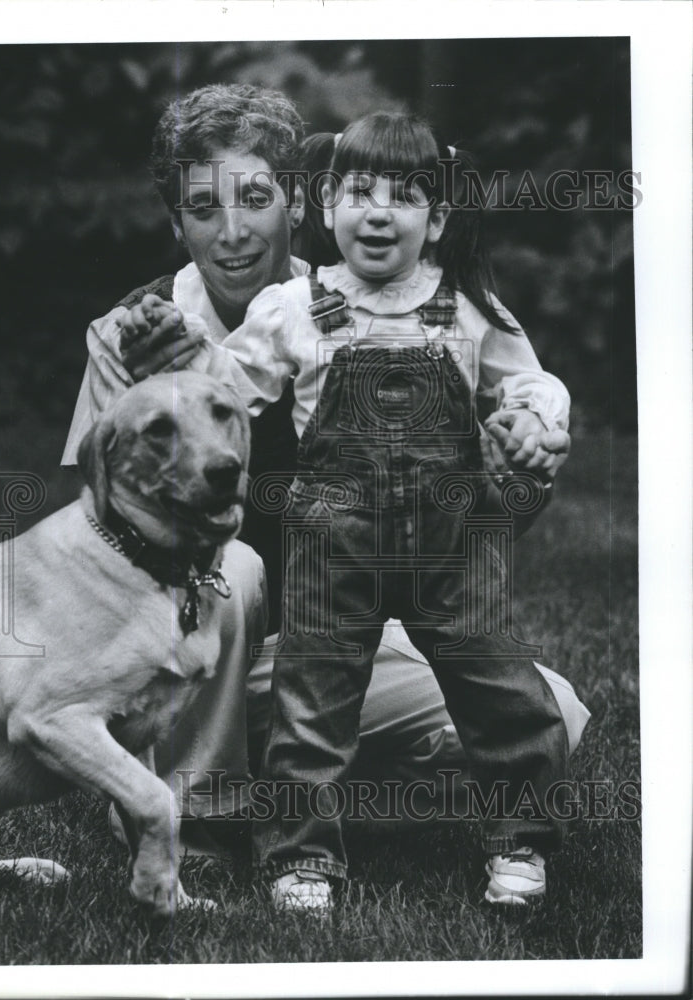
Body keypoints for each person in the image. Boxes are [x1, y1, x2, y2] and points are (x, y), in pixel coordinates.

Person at [62, 88, 588, 876]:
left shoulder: (370, 300)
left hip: (320, 631)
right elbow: (96, 549)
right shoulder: (135, 331)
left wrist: (518, 461)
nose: (232, 231)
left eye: (256, 198)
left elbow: (486, 509)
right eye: (202, 208)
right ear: (177, 223)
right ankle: (189, 815)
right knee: (229, 572)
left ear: (300, 201)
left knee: (555, 709)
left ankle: (300, 796)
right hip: (180, 654)